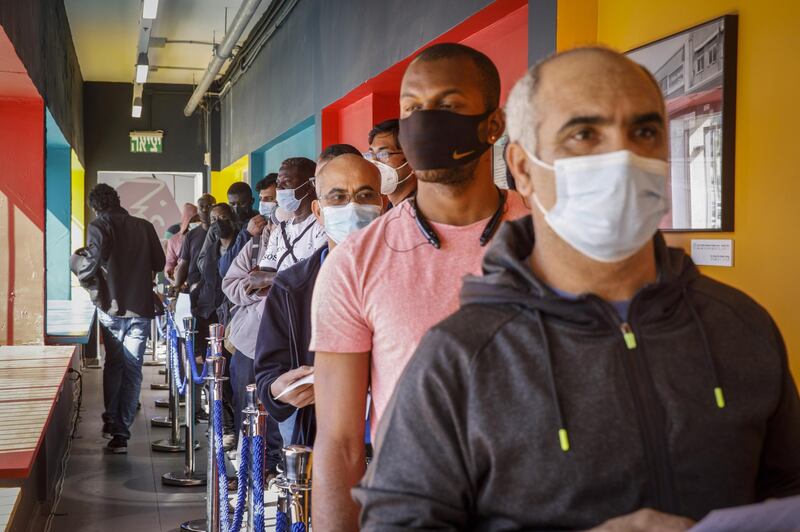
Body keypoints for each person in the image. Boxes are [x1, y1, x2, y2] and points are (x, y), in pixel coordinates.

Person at [356, 47, 800, 530]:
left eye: (644, 132)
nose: (622, 155)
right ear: (523, 168)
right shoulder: (459, 358)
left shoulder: (739, 324)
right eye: (584, 134)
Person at [309, 42, 529, 530]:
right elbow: (341, 443)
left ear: (493, 125)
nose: (426, 122)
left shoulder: (552, 239)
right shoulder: (355, 263)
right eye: (412, 109)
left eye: (448, 107)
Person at [254, 154, 383, 448]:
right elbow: (268, 375)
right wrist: (278, 389)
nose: (352, 207)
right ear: (318, 210)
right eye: (337, 197)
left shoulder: (406, 276)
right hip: (323, 439)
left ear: (382, 204)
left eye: (365, 195)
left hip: (395, 446)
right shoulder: (292, 287)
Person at [70, 184, 166, 454]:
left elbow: (92, 261)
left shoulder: (99, 225)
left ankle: (111, 417)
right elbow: (159, 263)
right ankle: (121, 433)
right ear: (118, 200)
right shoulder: (144, 225)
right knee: (133, 368)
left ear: (94, 206)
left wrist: (77, 265)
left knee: (113, 363)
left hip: (111, 307)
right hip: (140, 307)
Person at [222, 173, 278, 440]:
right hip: (248, 337)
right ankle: (248, 466)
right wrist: (258, 292)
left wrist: (265, 283)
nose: (269, 206)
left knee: (277, 413)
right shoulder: (257, 236)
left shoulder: (313, 236)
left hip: (287, 342)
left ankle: (269, 468)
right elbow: (229, 280)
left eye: (273, 199)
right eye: (266, 200)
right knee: (245, 403)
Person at [218, 179, 275, 278]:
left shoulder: (260, 223)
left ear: (251, 201)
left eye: (270, 199)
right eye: (232, 204)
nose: (237, 209)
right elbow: (222, 267)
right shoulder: (223, 225)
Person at [365, 119, 417, 206]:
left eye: (383, 154)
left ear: (412, 159)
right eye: (371, 154)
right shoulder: (389, 208)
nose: (374, 162)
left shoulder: (423, 210)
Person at [165, 203, 198, 282]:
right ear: (186, 220)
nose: (197, 223)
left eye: (198, 220)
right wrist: (169, 271)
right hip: (182, 279)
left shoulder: (204, 235)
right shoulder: (174, 239)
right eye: (193, 220)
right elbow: (170, 261)